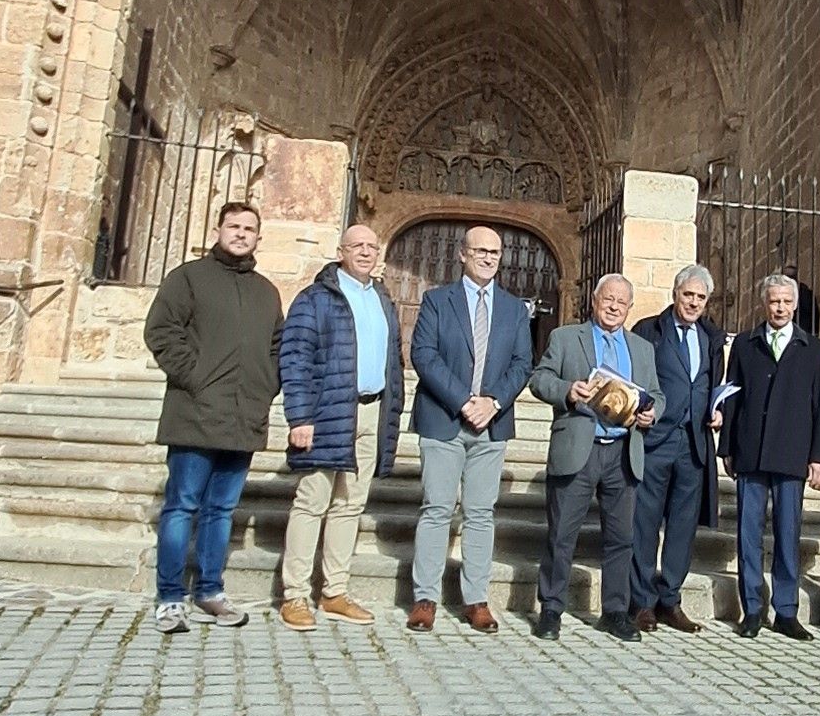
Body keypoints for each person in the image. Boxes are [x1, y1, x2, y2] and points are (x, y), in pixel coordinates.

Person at [144, 201, 283, 633]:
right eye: (234, 226)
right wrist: (196, 377)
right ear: (218, 229)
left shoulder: (266, 291)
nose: (241, 234)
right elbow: (161, 331)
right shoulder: (188, 278)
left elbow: (278, 346)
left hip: (244, 416)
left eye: (249, 228)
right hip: (195, 413)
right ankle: (169, 597)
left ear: (258, 237)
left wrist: (266, 385)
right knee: (182, 505)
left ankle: (210, 590)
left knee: (222, 509)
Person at [276, 224, 405, 630]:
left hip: (370, 412)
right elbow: (294, 357)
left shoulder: (383, 299)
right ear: (341, 251)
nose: (366, 252)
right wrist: (299, 417)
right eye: (357, 246)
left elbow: (392, 360)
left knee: (350, 504)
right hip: (327, 411)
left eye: (372, 245)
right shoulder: (316, 299)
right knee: (311, 501)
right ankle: (295, 594)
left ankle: (334, 591)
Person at [407, 225, 535, 632]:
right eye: (479, 250)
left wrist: (492, 402)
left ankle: (476, 599)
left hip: (490, 426)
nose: (487, 258)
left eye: (495, 252)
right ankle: (425, 597)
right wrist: (463, 401)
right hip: (443, 418)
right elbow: (423, 355)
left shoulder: (515, 310)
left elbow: (522, 363)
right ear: (462, 254)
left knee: (481, 513)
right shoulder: (437, 301)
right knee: (437, 508)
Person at [529, 274, 662, 641]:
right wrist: (568, 391)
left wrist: (652, 414)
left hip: (623, 451)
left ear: (630, 308)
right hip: (578, 448)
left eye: (622, 302)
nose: (615, 306)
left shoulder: (641, 348)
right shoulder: (565, 338)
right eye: (609, 299)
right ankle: (552, 608)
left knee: (621, 538)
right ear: (594, 300)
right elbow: (539, 379)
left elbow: (656, 394)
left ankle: (616, 612)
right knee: (562, 534)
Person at [718, 272, 820, 640]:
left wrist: (819, 457)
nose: (780, 307)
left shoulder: (813, 349)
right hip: (750, 451)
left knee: (788, 533)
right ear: (763, 303)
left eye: (786, 301)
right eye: (773, 301)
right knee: (748, 533)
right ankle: (752, 609)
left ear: (795, 305)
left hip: (792, 454)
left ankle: (785, 610)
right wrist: (728, 448)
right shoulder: (745, 345)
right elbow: (731, 397)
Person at [629, 264, 726, 633]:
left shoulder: (711, 337)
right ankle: (641, 602)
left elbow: (714, 384)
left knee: (683, 527)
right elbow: (634, 377)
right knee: (645, 522)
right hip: (656, 441)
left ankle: (670, 599)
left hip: (694, 444)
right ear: (675, 293)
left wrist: (719, 414)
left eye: (701, 297)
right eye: (689, 295)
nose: (694, 302)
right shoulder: (649, 331)